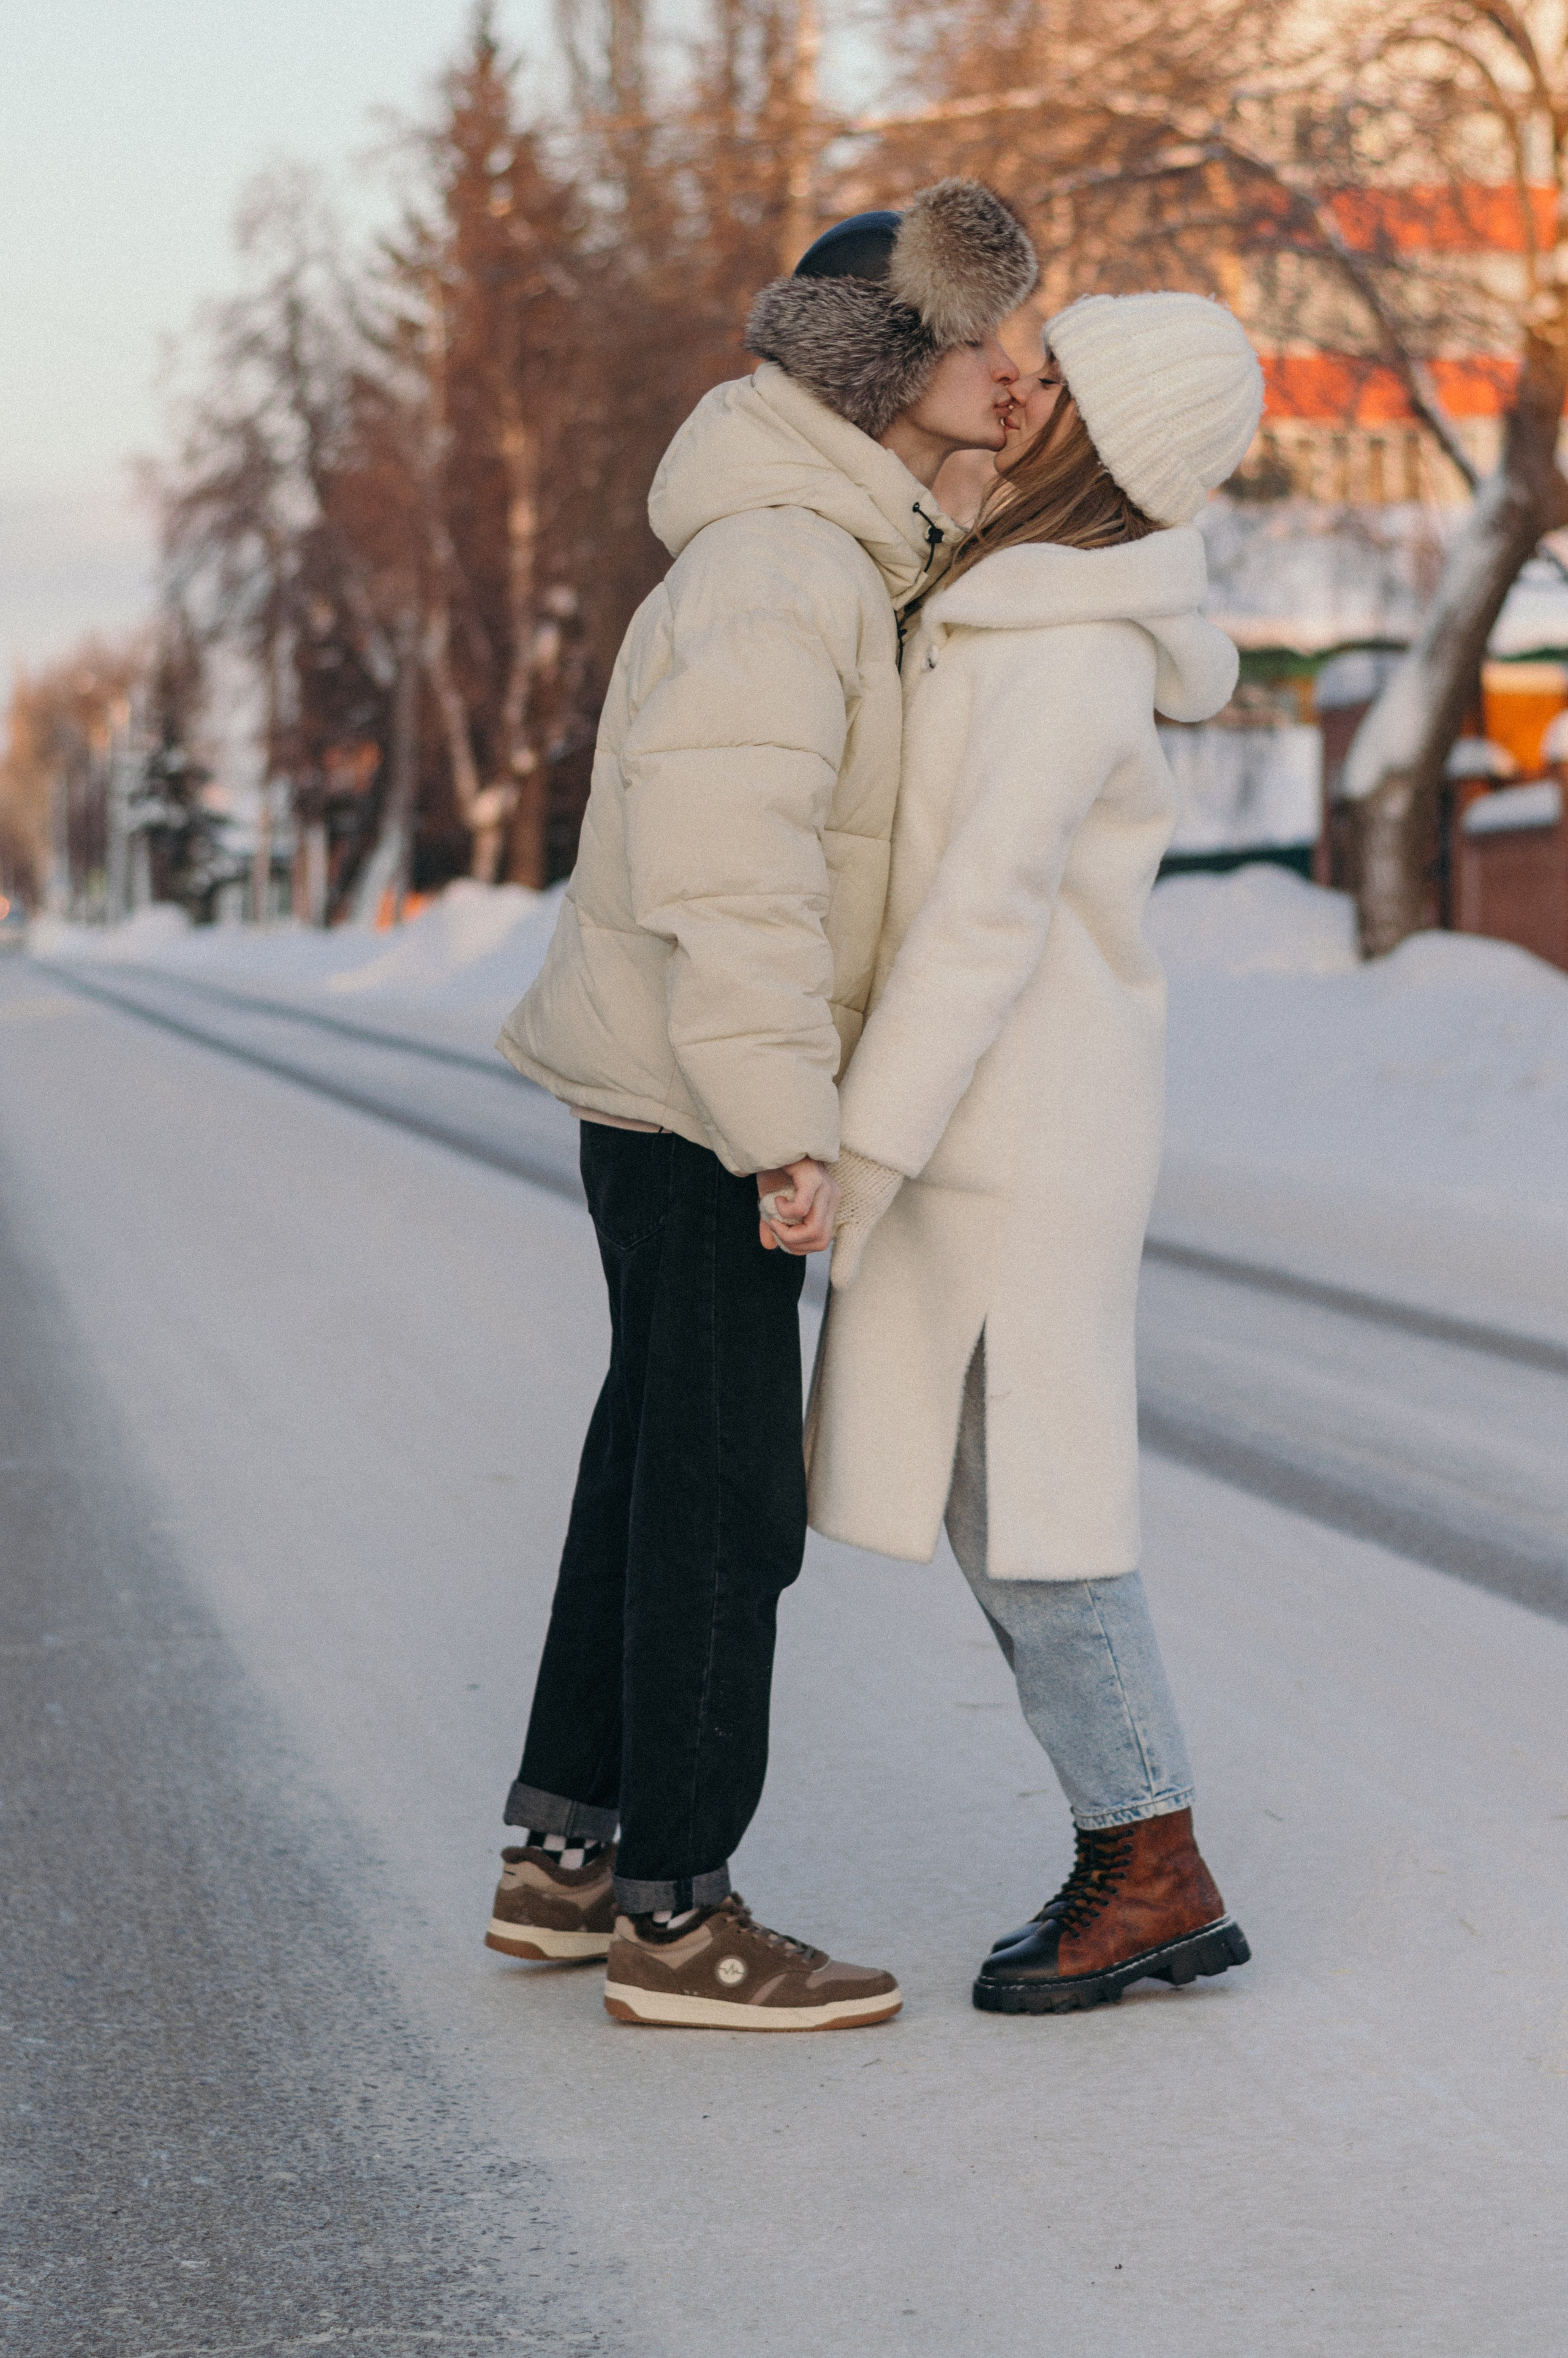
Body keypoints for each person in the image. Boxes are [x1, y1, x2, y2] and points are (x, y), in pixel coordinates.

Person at [484, 181, 1038, 2031]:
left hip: (668, 1091)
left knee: (652, 1460)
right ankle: (679, 1914)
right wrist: (782, 1124)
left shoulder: (827, 536)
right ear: (892, 365)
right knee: (725, 1499)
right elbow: (730, 874)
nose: (1013, 367)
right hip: (702, 1100)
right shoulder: (787, 564)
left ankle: (567, 1856)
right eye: (983, 335)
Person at [807, 291, 1265, 2014]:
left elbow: (985, 914)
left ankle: (1151, 1857)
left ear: (1101, 431)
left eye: (1053, 371)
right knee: (1001, 1500)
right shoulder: (1011, 594)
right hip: (996, 1110)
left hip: (1019, 1116)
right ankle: (1130, 1839)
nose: (1017, 376)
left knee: (1043, 1509)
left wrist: (861, 1148)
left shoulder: (1065, 634)